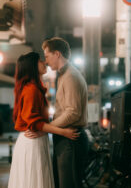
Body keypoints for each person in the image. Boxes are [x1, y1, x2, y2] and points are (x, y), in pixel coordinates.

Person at [8, 52, 79, 188]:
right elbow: (35, 122)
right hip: (32, 142)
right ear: (32, 66)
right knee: (34, 181)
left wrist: (44, 131)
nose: (44, 62)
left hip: (34, 140)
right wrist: (63, 132)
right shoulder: (32, 90)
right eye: (40, 60)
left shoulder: (34, 88)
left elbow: (37, 124)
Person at [35, 37, 89, 188]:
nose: (45, 61)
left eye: (47, 56)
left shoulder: (70, 76)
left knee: (68, 184)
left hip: (71, 138)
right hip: (66, 137)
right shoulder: (64, 75)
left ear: (57, 54)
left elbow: (73, 112)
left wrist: (50, 127)